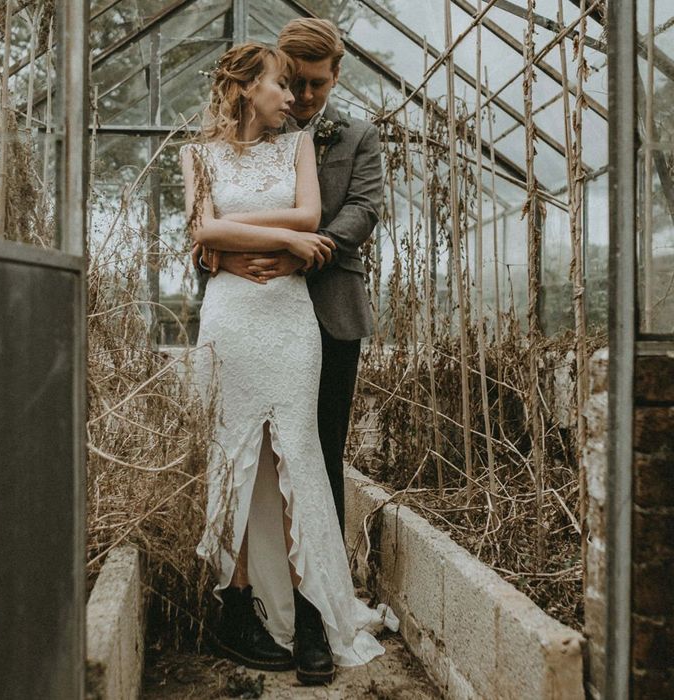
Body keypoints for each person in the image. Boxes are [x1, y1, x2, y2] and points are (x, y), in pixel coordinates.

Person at [181, 42, 386, 686]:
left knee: (300, 455)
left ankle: (313, 614)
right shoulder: (194, 154)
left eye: (306, 85)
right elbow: (201, 233)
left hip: (292, 318)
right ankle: (236, 605)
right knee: (232, 454)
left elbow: (312, 215)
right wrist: (279, 237)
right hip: (231, 316)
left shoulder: (300, 144)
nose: (294, 96)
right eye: (281, 83)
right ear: (248, 89)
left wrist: (245, 228)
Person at [198, 18, 382, 537]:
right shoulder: (245, 133)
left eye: (315, 84)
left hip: (329, 309)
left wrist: (301, 252)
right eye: (293, 80)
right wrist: (224, 256)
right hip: (249, 309)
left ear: (337, 76)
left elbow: (364, 210)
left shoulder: (357, 135)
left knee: (321, 449)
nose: (301, 95)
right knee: (247, 450)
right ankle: (253, 585)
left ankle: (320, 596)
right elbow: (208, 217)